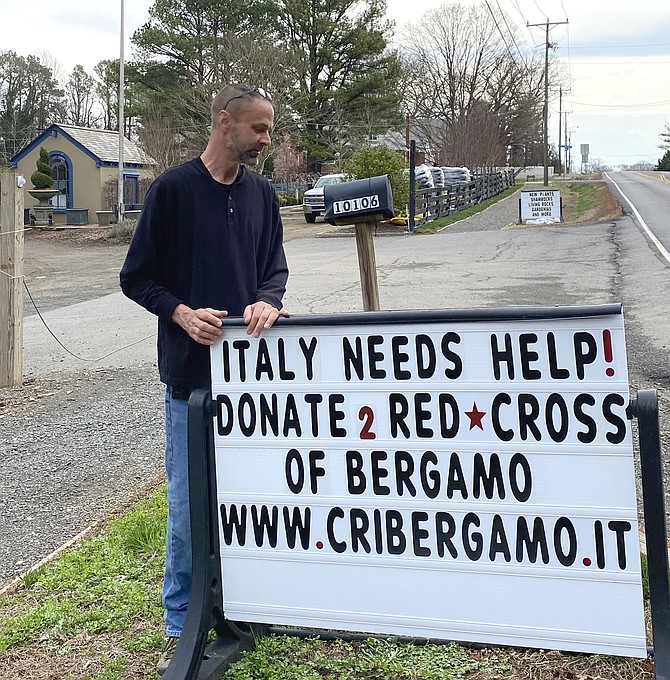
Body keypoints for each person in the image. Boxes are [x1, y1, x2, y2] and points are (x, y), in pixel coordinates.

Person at [119, 83, 289, 675]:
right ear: (224, 123)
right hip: (190, 378)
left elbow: (275, 269)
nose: (267, 140)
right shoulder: (171, 190)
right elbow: (136, 277)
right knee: (191, 503)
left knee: (248, 500)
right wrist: (181, 311)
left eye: (269, 129)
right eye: (259, 129)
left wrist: (268, 300)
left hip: (252, 380)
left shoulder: (264, 195)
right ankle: (182, 613)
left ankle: (246, 604)